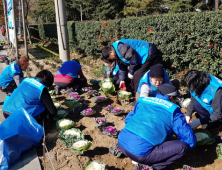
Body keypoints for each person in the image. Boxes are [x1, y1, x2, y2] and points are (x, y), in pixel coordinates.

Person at [118, 83, 196, 170]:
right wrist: (190, 147)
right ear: (171, 97)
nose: (176, 101)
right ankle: (155, 167)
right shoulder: (174, 111)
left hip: (121, 143)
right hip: (140, 154)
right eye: (176, 98)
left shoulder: (143, 101)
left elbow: (128, 120)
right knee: (182, 147)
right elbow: (188, 140)